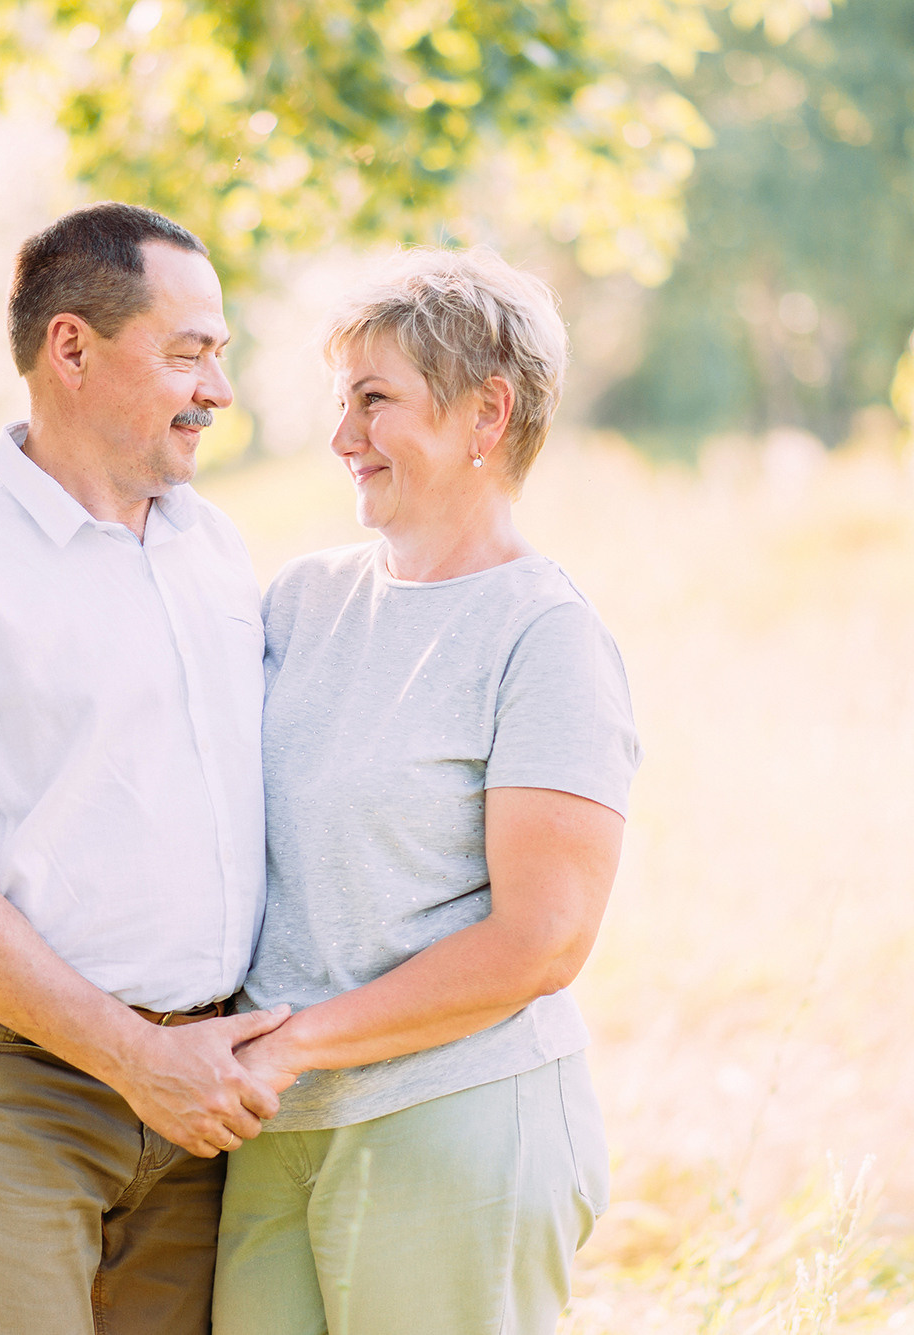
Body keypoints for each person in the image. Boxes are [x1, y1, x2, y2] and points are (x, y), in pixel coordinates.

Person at [0, 202, 289, 1335]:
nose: (216, 391)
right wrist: (131, 1057)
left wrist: (184, 1065)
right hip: (14, 1090)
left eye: (217, 355)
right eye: (188, 354)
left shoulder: (211, 547)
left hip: (206, 1098)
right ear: (70, 348)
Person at [213, 247, 643, 1334]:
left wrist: (301, 1040)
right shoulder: (301, 601)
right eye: (338, 400)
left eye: (374, 401)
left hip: (453, 1120)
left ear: (483, 415)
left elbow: (540, 941)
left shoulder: (541, 637)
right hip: (275, 1128)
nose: (339, 437)